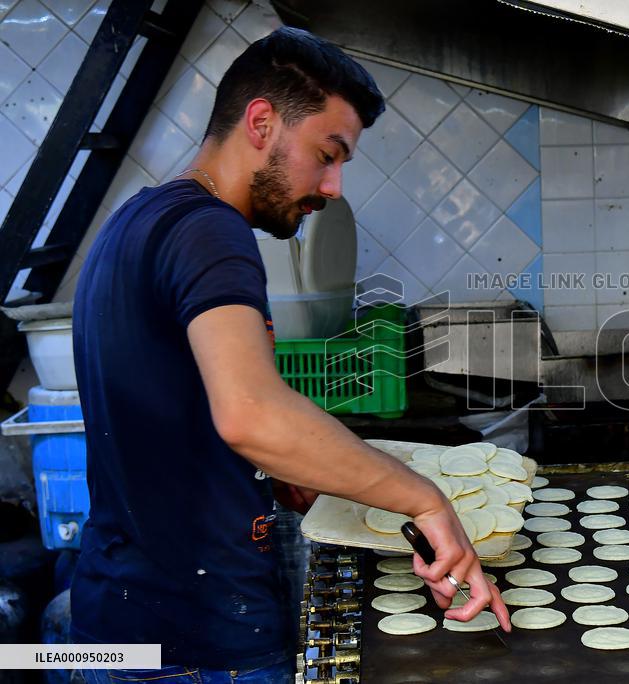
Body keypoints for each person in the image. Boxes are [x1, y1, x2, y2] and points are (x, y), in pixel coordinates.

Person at [72, 27, 510, 683]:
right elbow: (249, 414)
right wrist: (425, 501)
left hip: (117, 624)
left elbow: (180, 404)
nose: (332, 187)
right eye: (326, 154)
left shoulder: (135, 222)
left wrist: (288, 466)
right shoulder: (210, 231)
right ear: (260, 122)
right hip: (199, 649)